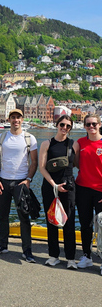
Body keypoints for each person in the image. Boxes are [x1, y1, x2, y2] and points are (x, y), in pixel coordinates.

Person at [0, 109, 38, 262]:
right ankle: (2, 245)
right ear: (9, 120)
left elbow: (34, 162)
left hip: (21, 182)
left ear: (22, 120)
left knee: (24, 217)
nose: (15, 120)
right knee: (2, 216)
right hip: (4, 180)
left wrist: (29, 179)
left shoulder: (29, 138)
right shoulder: (2, 137)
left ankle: (27, 250)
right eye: (13, 118)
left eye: (18, 118)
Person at [38, 115, 77, 269]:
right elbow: (42, 167)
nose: (65, 128)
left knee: (69, 222)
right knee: (52, 221)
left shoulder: (74, 145)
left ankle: (71, 258)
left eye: (68, 126)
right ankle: (54, 256)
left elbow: (76, 164)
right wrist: (54, 184)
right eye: (62, 124)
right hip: (50, 186)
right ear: (57, 125)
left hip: (68, 187)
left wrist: (66, 181)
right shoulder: (46, 144)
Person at [74, 113, 102, 271]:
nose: (91, 127)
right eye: (88, 124)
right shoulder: (80, 142)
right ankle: (86, 255)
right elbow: (74, 161)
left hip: (100, 190)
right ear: (84, 126)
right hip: (83, 188)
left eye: (94, 124)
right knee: (85, 225)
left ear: (99, 124)